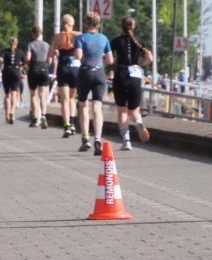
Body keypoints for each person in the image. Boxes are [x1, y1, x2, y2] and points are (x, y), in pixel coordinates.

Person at [110, 16, 153, 151]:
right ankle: (138, 122)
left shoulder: (116, 41)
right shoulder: (140, 41)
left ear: (121, 26)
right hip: (135, 75)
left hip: (121, 75)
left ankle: (126, 141)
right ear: (134, 27)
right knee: (134, 110)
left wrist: (114, 62)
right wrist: (141, 64)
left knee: (122, 110)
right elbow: (150, 58)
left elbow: (109, 58)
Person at [75, 12, 114, 156]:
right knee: (97, 107)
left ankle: (85, 138)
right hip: (99, 74)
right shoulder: (104, 38)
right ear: (98, 24)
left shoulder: (81, 38)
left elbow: (78, 56)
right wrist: (99, 57)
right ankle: (98, 138)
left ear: (86, 23)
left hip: (85, 73)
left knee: (83, 105)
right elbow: (110, 60)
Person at [49, 14, 81, 137]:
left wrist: (56, 52)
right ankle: (72, 123)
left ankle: (66, 125)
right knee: (72, 98)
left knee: (64, 100)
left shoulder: (57, 37)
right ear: (72, 24)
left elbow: (50, 54)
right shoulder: (77, 35)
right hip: (75, 69)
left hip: (63, 67)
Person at [25, 26, 50, 128]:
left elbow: (28, 58)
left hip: (33, 69)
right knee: (42, 95)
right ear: (41, 33)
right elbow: (50, 59)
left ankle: (35, 118)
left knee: (33, 95)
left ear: (33, 34)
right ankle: (43, 115)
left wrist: (28, 63)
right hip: (44, 69)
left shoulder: (30, 44)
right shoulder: (47, 45)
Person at [0, 38, 23, 124]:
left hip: (7, 71)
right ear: (17, 43)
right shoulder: (20, 52)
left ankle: (7, 115)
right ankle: (12, 111)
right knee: (14, 94)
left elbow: (1, 60)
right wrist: (20, 66)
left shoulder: (4, 51)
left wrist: (0, 62)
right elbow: (24, 62)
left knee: (7, 95)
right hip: (16, 72)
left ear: (9, 43)